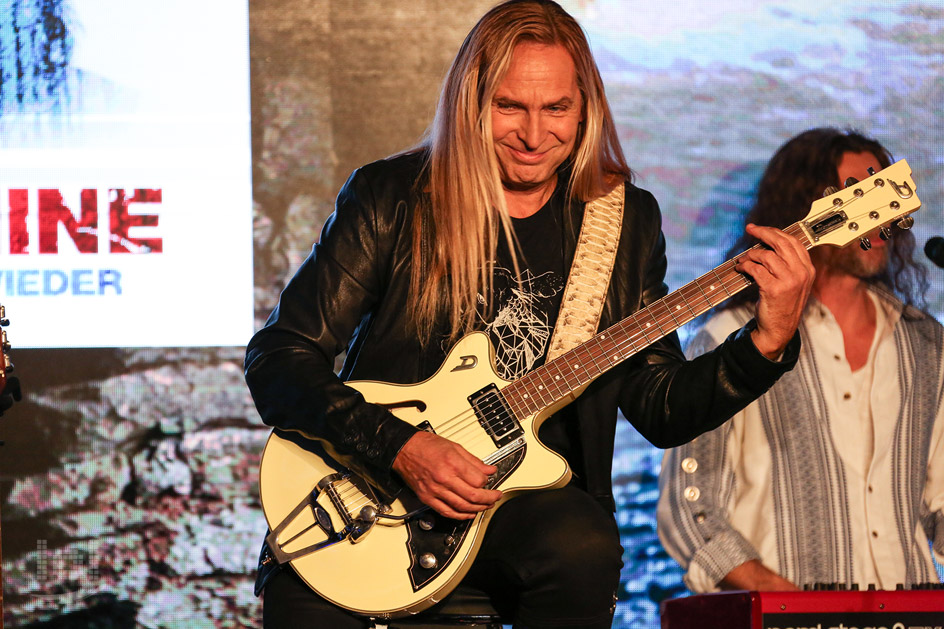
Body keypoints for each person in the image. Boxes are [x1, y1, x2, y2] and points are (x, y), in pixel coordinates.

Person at [244, 1, 814, 626]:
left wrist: (768, 338)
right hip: (370, 487)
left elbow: (661, 407)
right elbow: (281, 357)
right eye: (509, 107)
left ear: (585, 107)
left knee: (581, 543)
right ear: (470, 103)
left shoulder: (623, 221)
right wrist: (401, 446)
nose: (535, 135)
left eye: (556, 109)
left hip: (525, 504)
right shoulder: (392, 197)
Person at [657, 128, 943, 593]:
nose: (877, 212)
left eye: (882, 190)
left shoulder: (926, 343)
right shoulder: (729, 336)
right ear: (808, 210)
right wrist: (783, 598)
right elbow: (691, 506)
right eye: (854, 193)